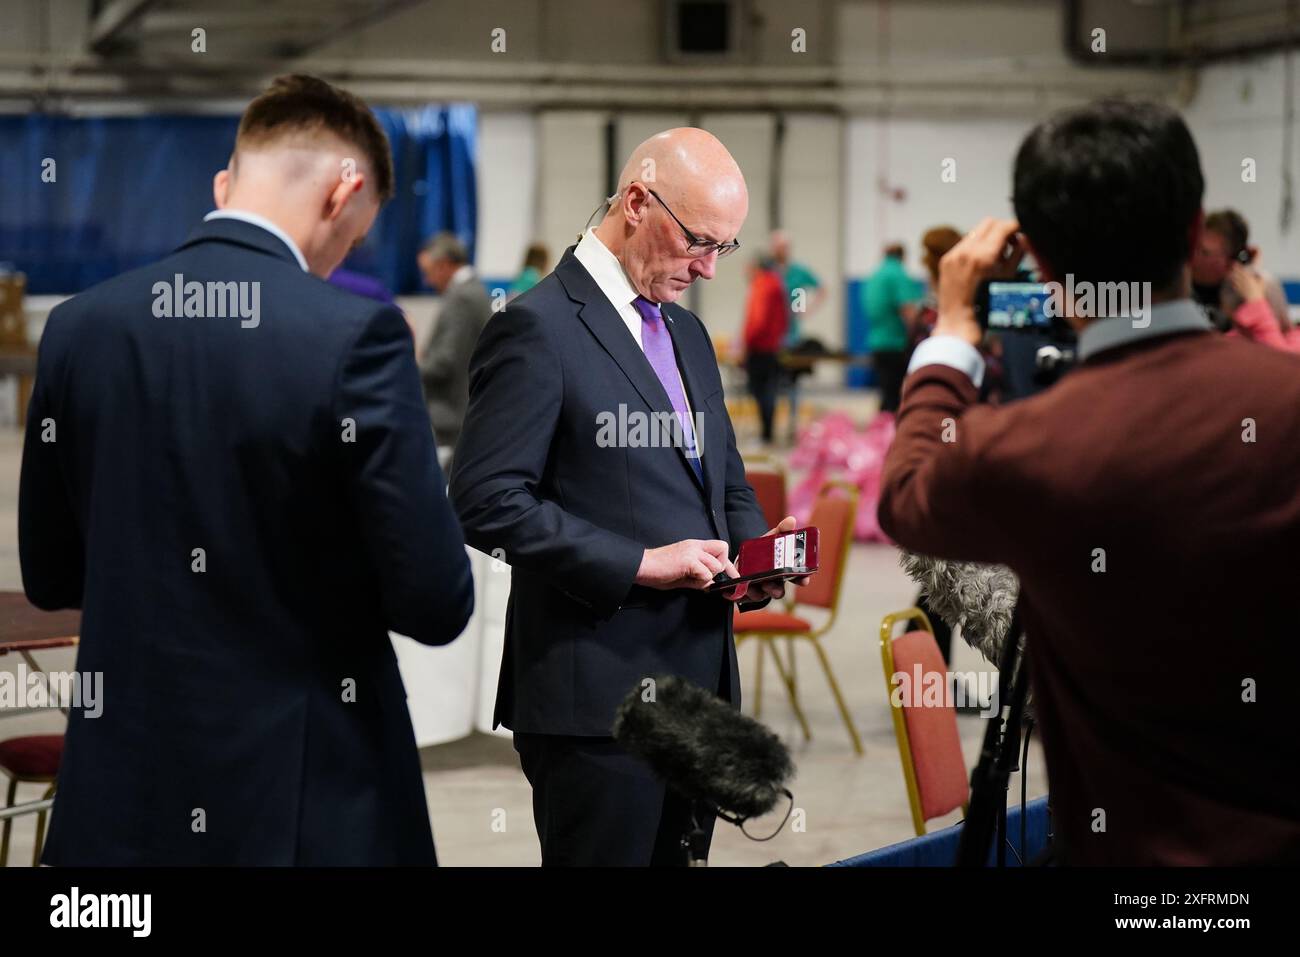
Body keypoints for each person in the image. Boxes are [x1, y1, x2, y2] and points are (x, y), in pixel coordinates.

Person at [19, 74, 474, 866]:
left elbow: (52, 575)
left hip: (120, 795)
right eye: (356, 237)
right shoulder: (354, 336)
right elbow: (435, 600)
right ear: (345, 191)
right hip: (301, 798)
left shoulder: (78, 329)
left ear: (225, 183)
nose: (341, 259)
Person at [879, 99, 1300, 865]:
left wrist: (950, 331)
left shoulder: (1022, 449)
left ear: (1035, 257)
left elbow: (906, 493)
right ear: (1193, 226)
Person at [450, 128, 797, 866]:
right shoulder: (536, 330)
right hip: (596, 704)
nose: (707, 268)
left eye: (723, 249)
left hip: (698, 692)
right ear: (637, 201)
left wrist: (755, 554)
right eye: (699, 241)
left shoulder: (689, 333)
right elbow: (485, 501)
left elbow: (724, 480)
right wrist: (639, 561)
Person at [416, 231, 493, 461]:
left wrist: (407, 368)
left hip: (453, 413)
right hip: (464, 410)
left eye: (428, 273)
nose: (427, 281)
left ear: (444, 265)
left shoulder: (461, 297)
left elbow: (445, 362)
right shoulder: (474, 290)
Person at [1191, 209, 1289, 336]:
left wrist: (1255, 301)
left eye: (1205, 252)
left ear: (1231, 261)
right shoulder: (1177, 284)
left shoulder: (1253, 292)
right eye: (1194, 247)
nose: (1193, 255)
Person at [770, 230, 823, 440]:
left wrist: (804, 308)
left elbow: (819, 288)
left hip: (791, 336)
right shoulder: (769, 271)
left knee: (792, 383)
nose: (780, 251)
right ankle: (772, 425)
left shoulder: (798, 272)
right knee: (772, 384)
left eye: (783, 247)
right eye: (777, 248)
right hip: (771, 338)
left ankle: (792, 425)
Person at [863, 243, 919, 413]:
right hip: (896, 343)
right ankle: (890, 436)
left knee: (886, 394)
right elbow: (908, 309)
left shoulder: (875, 275)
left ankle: (882, 432)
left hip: (877, 341)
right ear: (903, 257)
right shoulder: (898, 274)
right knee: (895, 398)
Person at [741, 254, 788, 445]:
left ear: (756, 268)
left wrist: (746, 344)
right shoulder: (776, 284)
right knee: (768, 391)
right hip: (772, 347)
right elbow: (784, 320)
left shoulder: (762, 286)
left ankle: (766, 434)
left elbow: (757, 321)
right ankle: (767, 432)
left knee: (762, 393)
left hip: (760, 348)